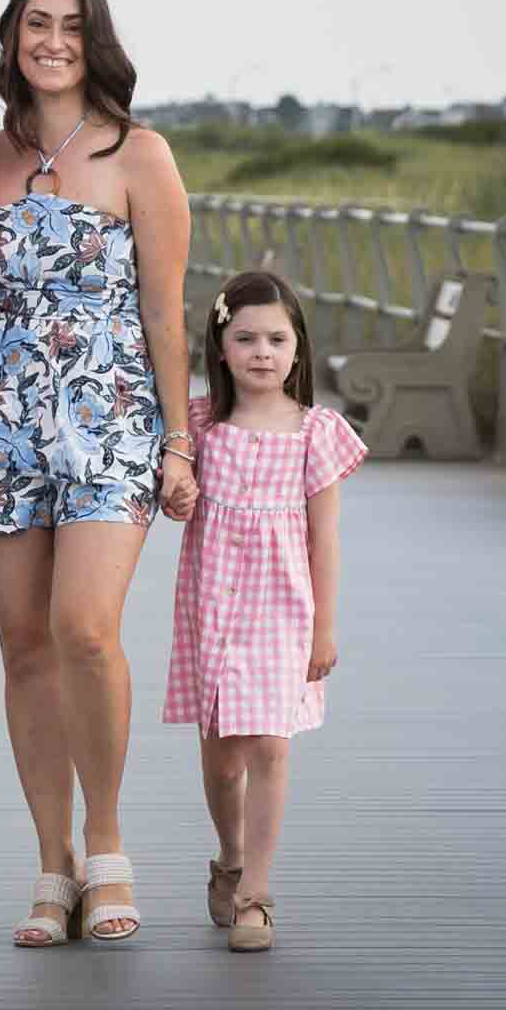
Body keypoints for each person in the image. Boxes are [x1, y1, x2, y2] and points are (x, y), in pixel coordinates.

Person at [0, 0, 195, 946]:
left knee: (84, 628)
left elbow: (165, 313)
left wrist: (177, 443)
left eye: (71, 27)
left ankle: (105, 842)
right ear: (11, 35)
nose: (51, 41)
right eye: (35, 23)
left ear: (95, 45)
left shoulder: (140, 155)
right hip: (3, 424)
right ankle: (49, 863)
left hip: (112, 423)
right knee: (23, 646)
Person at [163, 270, 366, 952]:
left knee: (271, 748)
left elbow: (326, 536)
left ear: (298, 348)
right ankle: (230, 857)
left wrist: (324, 627)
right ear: (219, 347)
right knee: (223, 759)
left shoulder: (317, 431)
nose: (261, 351)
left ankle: (256, 893)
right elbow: (175, 497)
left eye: (276, 338)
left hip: (284, 605)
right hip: (213, 601)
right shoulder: (198, 425)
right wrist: (179, 492)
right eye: (244, 337)